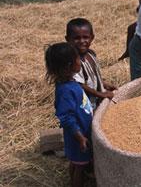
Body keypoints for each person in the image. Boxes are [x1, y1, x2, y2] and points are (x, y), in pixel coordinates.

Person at [45, 42, 93, 187]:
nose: (80, 61)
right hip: (78, 136)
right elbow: (66, 117)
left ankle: (72, 180)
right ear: (69, 66)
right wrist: (80, 138)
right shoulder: (66, 90)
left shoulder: (69, 83)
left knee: (75, 163)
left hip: (80, 133)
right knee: (80, 166)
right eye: (78, 59)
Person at [65, 18, 116, 109]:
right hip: (84, 105)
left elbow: (91, 78)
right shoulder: (73, 61)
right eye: (76, 38)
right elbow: (79, 84)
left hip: (97, 101)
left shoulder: (91, 54)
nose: (81, 41)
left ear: (92, 37)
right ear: (68, 39)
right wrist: (100, 94)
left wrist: (103, 84)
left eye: (85, 37)